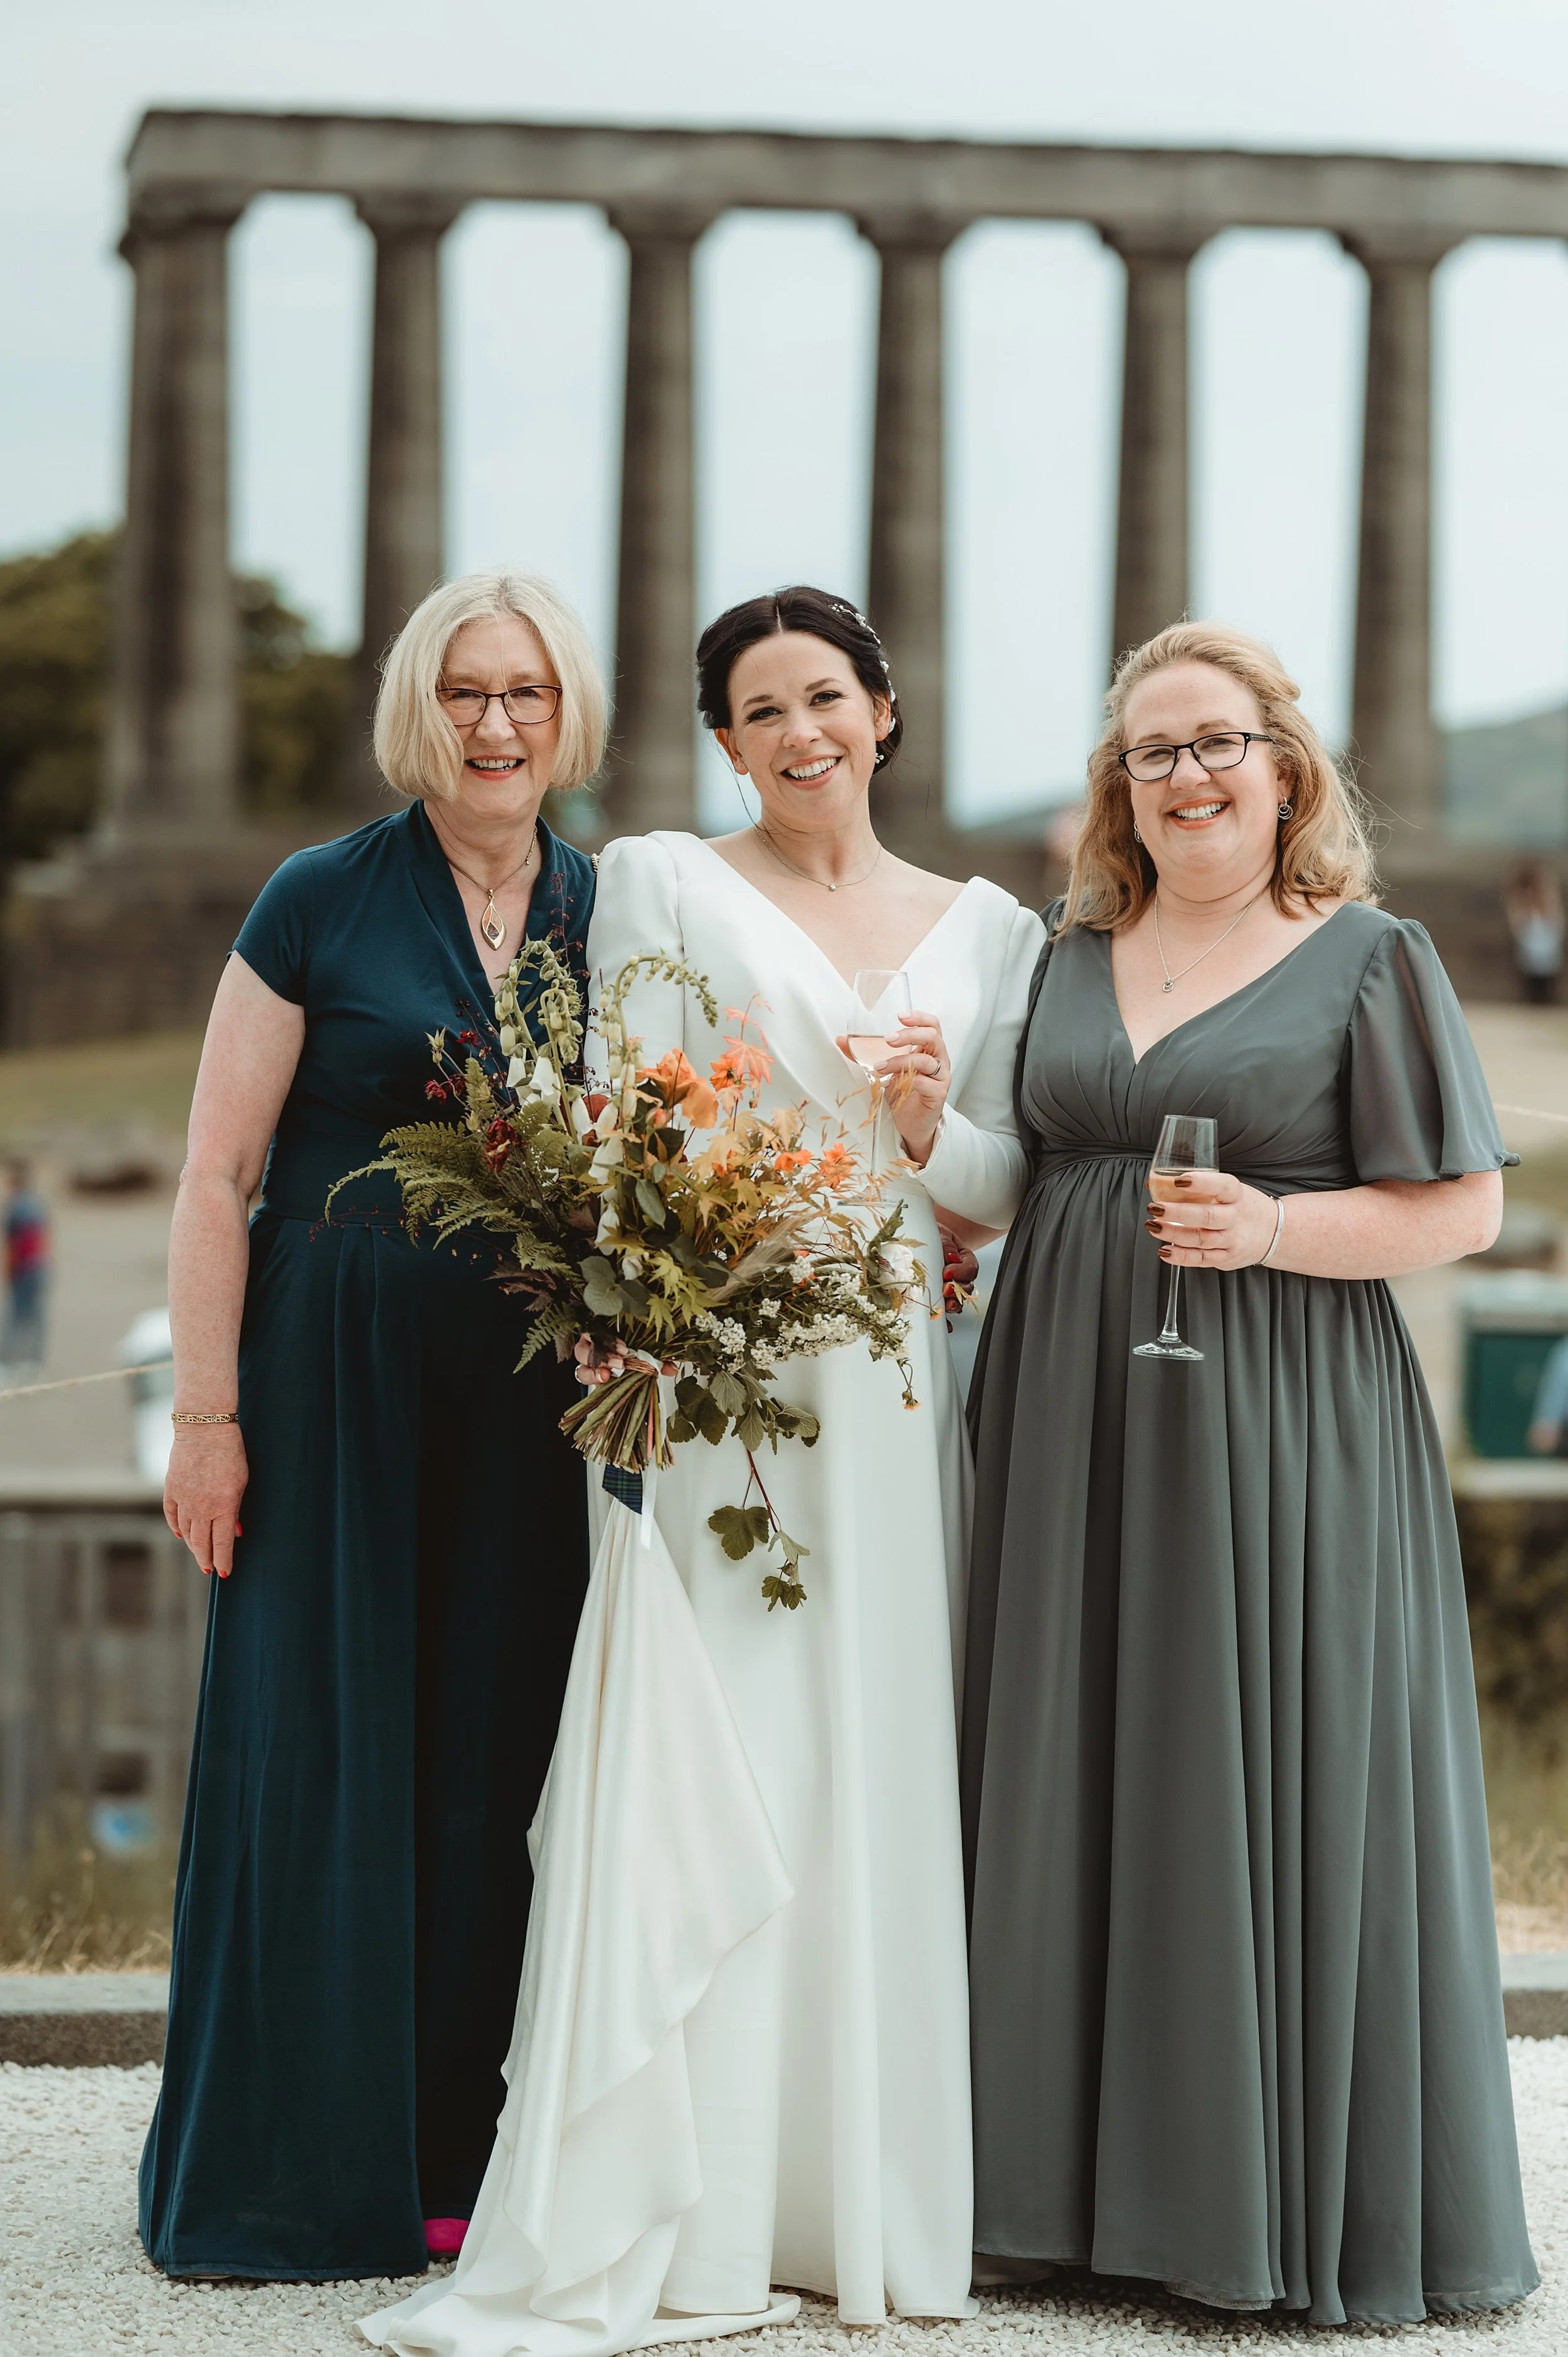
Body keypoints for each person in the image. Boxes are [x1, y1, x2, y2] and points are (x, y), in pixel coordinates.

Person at [364, 587, 1044, 2354]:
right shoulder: (663, 880)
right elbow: (612, 1106)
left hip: (895, 1383)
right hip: (722, 1364)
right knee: (723, 1744)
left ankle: (856, 2195)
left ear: (882, 711)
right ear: (726, 742)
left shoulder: (995, 926)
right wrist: (640, 1293)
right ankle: (696, 2198)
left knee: (877, 1749)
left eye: (826, 695)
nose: (801, 730)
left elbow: (1006, 1183)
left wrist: (926, 1127)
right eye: (761, 709)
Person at [962, 622, 1537, 2326]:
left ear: (1284, 767)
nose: (1188, 773)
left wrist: (1273, 1229)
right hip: (1069, 1407)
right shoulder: (1067, 952)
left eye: (1218, 740)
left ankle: (1252, 2207)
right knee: (1073, 1755)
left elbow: (1463, 1206)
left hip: (1282, 1413)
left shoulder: (1369, 956)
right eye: (1153, 750)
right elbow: (1019, 1171)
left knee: (1262, 1751)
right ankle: (1046, 2199)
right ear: (1118, 787)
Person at [140, 573, 601, 2282]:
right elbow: (216, 1171)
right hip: (327, 1382)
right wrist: (207, 1414)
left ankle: (449, 2154)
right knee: (316, 1748)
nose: (496, 721)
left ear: (566, 711)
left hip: (527, 1401)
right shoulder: (318, 895)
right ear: (420, 707)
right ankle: (279, 2171)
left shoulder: (609, 906)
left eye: (525, 691)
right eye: (465, 690)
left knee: (492, 1758)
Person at [0, 1159, 49, 1382]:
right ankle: (32, 1363)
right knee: (35, 1317)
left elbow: (17, 1244)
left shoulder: (17, 1207)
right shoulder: (37, 1203)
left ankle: (9, 1365)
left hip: (24, 1268)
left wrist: (8, 1271)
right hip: (39, 1266)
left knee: (16, 1318)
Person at [1503, 859, 1565, 1005]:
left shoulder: (1549, 906)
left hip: (1548, 957)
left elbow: (1555, 918)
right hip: (1530, 957)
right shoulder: (1523, 910)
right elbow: (1517, 922)